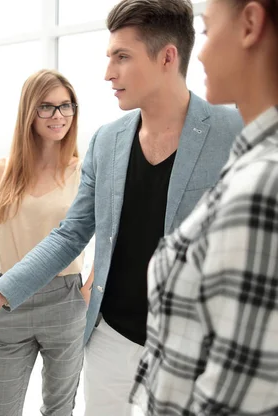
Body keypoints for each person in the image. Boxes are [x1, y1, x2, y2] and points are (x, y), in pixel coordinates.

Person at [0, 0, 244, 414]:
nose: (108, 72)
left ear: (168, 57)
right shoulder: (106, 140)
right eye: (109, 57)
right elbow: (70, 234)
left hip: (195, 343)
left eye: (122, 57)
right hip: (110, 337)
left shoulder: (232, 130)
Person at [130, 0, 278, 414]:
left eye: (209, 32)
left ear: (250, 24)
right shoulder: (252, 159)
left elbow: (233, 396)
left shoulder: (263, 186)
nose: (203, 53)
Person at [0, 69, 87, 416]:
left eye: (66, 106)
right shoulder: (2, 170)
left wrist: (88, 288)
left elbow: (108, 232)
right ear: (29, 111)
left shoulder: (85, 170)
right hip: (10, 299)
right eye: (47, 107)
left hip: (66, 299)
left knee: (59, 409)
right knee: (1, 408)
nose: (59, 116)